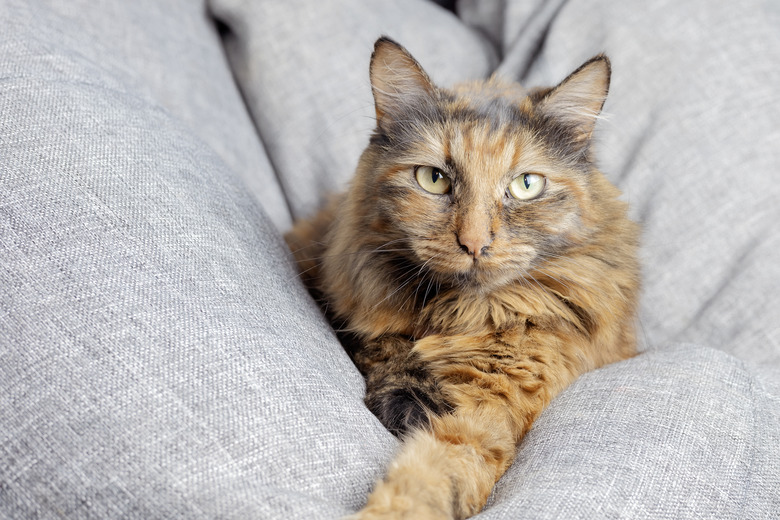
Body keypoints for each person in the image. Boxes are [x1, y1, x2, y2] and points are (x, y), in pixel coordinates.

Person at [1, 1, 778, 517]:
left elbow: (480, 434)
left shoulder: (568, 299)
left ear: (576, 175)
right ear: (385, 163)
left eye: (525, 186)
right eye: (437, 180)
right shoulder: (350, 229)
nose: (477, 234)